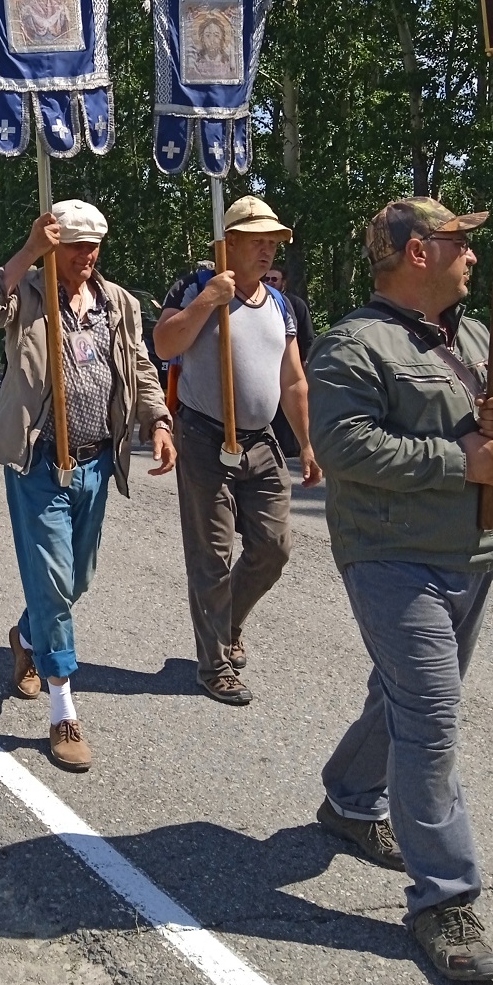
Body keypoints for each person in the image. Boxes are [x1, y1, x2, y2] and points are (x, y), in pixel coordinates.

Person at [307, 198, 493, 984]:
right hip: (391, 558)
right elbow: (341, 444)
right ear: (415, 254)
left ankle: (348, 799)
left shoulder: (474, 336)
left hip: (472, 552)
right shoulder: (352, 344)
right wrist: (459, 459)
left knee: (404, 700)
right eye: (458, 243)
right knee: (432, 719)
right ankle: (444, 899)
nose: (472, 255)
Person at [0, 201, 176, 772]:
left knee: (76, 575)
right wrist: (29, 252)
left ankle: (28, 638)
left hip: (95, 462)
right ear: (53, 245)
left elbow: (138, 363)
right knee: (55, 582)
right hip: (39, 462)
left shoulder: (118, 302)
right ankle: (64, 710)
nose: (88, 258)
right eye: (77, 247)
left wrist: (157, 420)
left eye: (94, 248)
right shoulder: (27, 295)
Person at [153, 195, 320, 706]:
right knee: (213, 559)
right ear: (229, 246)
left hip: (262, 442)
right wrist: (209, 301)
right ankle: (214, 665)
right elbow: (163, 344)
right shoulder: (196, 286)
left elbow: (292, 380)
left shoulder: (281, 304)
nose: (269, 251)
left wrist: (307, 445)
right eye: (258, 241)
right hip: (205, 437)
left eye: (274, 243)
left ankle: (227, 624)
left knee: (274, 547)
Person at [264, 266, 316, 457]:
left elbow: (307, 338)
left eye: (274, 279)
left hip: (291, 367)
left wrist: (304, 365)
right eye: (266, 279)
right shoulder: (258, 305)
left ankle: (293, 448)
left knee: (291, 407)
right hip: (267, 368)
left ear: (283, 283)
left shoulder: (295, 304)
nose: (269, 282)